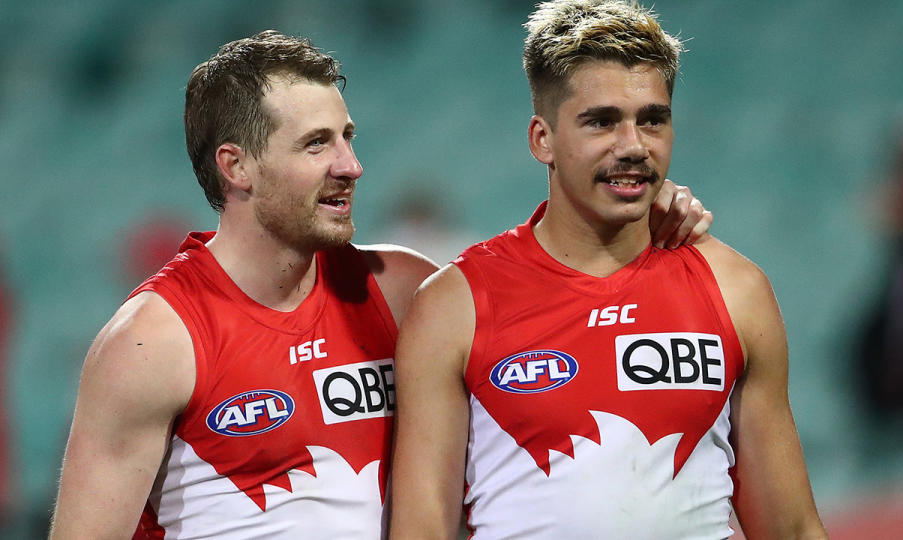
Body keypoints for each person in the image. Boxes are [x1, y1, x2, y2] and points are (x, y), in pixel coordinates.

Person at [48, 30, 712, 539]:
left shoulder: (403, 292)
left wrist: (635, 212)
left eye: (348, 137)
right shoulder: (153, 343)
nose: (352, 165)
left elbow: (555, 285)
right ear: (237, 167)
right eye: (317, 145)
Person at [388, 2, 828, 539]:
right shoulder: (454, 306)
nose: (633, 146)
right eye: (601, 121)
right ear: (541, 139)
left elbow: (792, 528)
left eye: (652, 119)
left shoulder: (736, 289)